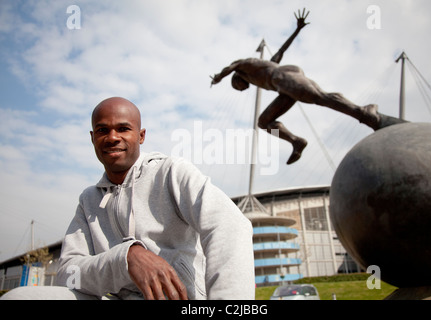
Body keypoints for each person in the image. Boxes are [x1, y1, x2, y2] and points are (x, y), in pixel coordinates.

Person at [2, 97, 255, 300]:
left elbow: (229, 225)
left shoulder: (171, 172)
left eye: (123, 128)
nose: (112, 137)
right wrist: (126, 259)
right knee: (20, 296)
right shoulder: (89, 199)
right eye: (102, 130)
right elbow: (68, 274)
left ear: (141, 136)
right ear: (93, 138)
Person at [211, 8, 405, 165]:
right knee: (264, 122)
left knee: (321, 98)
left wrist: (219, 76)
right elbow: (281, 50)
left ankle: (365, 112)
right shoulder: (261, 70)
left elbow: (233, 65)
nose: (241, 89)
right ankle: (296, 141)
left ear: (237, 78)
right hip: (284, 88)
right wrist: (298, 30)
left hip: (284, 79)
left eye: (237, 86)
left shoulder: (247, 66)